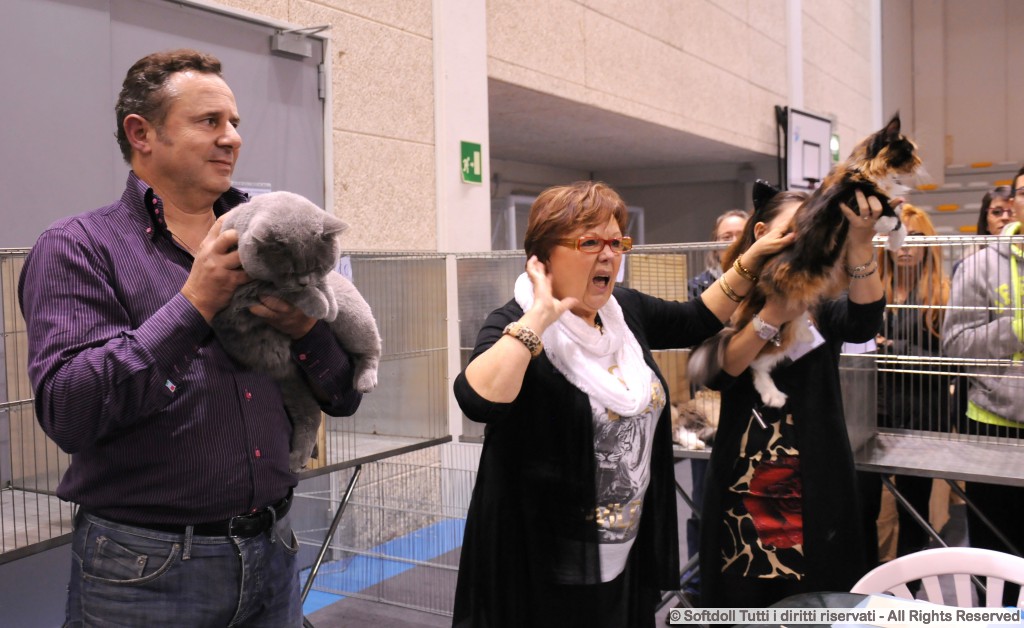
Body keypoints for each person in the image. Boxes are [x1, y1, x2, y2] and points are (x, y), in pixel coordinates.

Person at [18, 49, 363, 627]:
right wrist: (193, 304)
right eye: (209, 121)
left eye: (235, 122)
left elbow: (345, 395)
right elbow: (70, 412)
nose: (232, 138)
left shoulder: (270, 235)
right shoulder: (79, 247)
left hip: (273, 547)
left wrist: (307, 331)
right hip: (145, 569)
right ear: (142, 133)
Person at [451, 181, 793, 627]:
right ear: (542, 257)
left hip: (623, 552)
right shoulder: (513, 322)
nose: (608, 255)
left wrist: (752, 257)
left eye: (616, 243)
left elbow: (697, 318)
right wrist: (540, 315)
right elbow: (477, 399)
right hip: (544, 562)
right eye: (590, 242)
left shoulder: (622, 312)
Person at [696, 187, 887, 608]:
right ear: (761, 232)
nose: (806, 237)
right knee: (744, 599)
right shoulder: (726, 293)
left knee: (815, 599)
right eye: (795, 228)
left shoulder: (822, 295)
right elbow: (715, 373)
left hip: (816, 477)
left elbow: (863, 321)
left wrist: (860, 243)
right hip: (745, 482)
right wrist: (771, 317)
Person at [942, 175, 1024, 576]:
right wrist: (1017, 329)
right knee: (997, 559)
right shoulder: (979, 265)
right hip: (995, 427)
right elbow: (955, 344)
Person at [870, 204, 954, 559]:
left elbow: (951, 363)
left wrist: (894, 348)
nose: (905, 246)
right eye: (898, 237)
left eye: (914, 237)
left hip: (922, 418)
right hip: (875, 412)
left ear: (928, 244)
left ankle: (912, 584)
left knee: (914, 511)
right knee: (867, 505)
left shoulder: (942, 294)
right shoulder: (873, 289)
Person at [681, 208, 750, 604]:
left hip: (747, 407)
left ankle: (735, 581)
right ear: (713, 241)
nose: (732, 240)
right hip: (705, 407)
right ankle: (696, 585)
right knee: (701, 502)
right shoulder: (699, 288)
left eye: (739, 233)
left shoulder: (761, 282)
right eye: (725, 235)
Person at [687, 209, 749, 300]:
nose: (734, 243)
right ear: (715, 248)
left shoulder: (765, 283)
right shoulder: (696, 287)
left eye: (742, 237)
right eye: (726, 237)